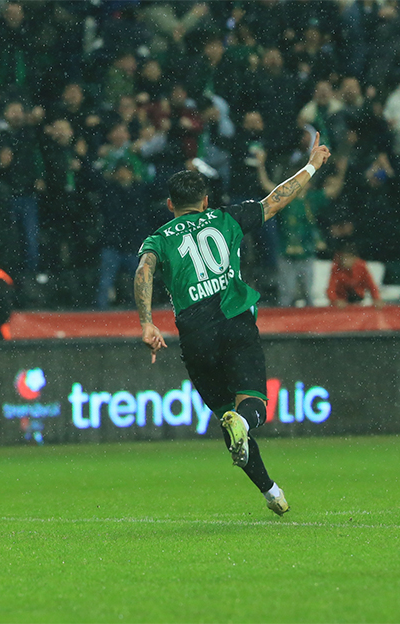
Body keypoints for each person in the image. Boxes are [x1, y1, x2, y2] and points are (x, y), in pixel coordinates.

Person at [134, 132, 331, 515]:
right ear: (205, 201)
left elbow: (144, 269)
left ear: (171, 205)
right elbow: (276, 199)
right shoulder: (226, 218)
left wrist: (147, 323)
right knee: (250, 408)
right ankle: (246, 424)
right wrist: (311, 166)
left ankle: (271, 492)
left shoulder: (158, 238)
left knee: (227, 419)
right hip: (235, 320)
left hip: (195, 333)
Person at [326, 243, 383, 308]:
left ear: (355, 258)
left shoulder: (361, 267)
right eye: (344, 258)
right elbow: (331, 289)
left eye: (348, 258)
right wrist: (335, 301)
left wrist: (376, 299)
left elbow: (371, 285)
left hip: (358, 299)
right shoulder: (336, 268)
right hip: (341, 301)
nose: (345, 261)